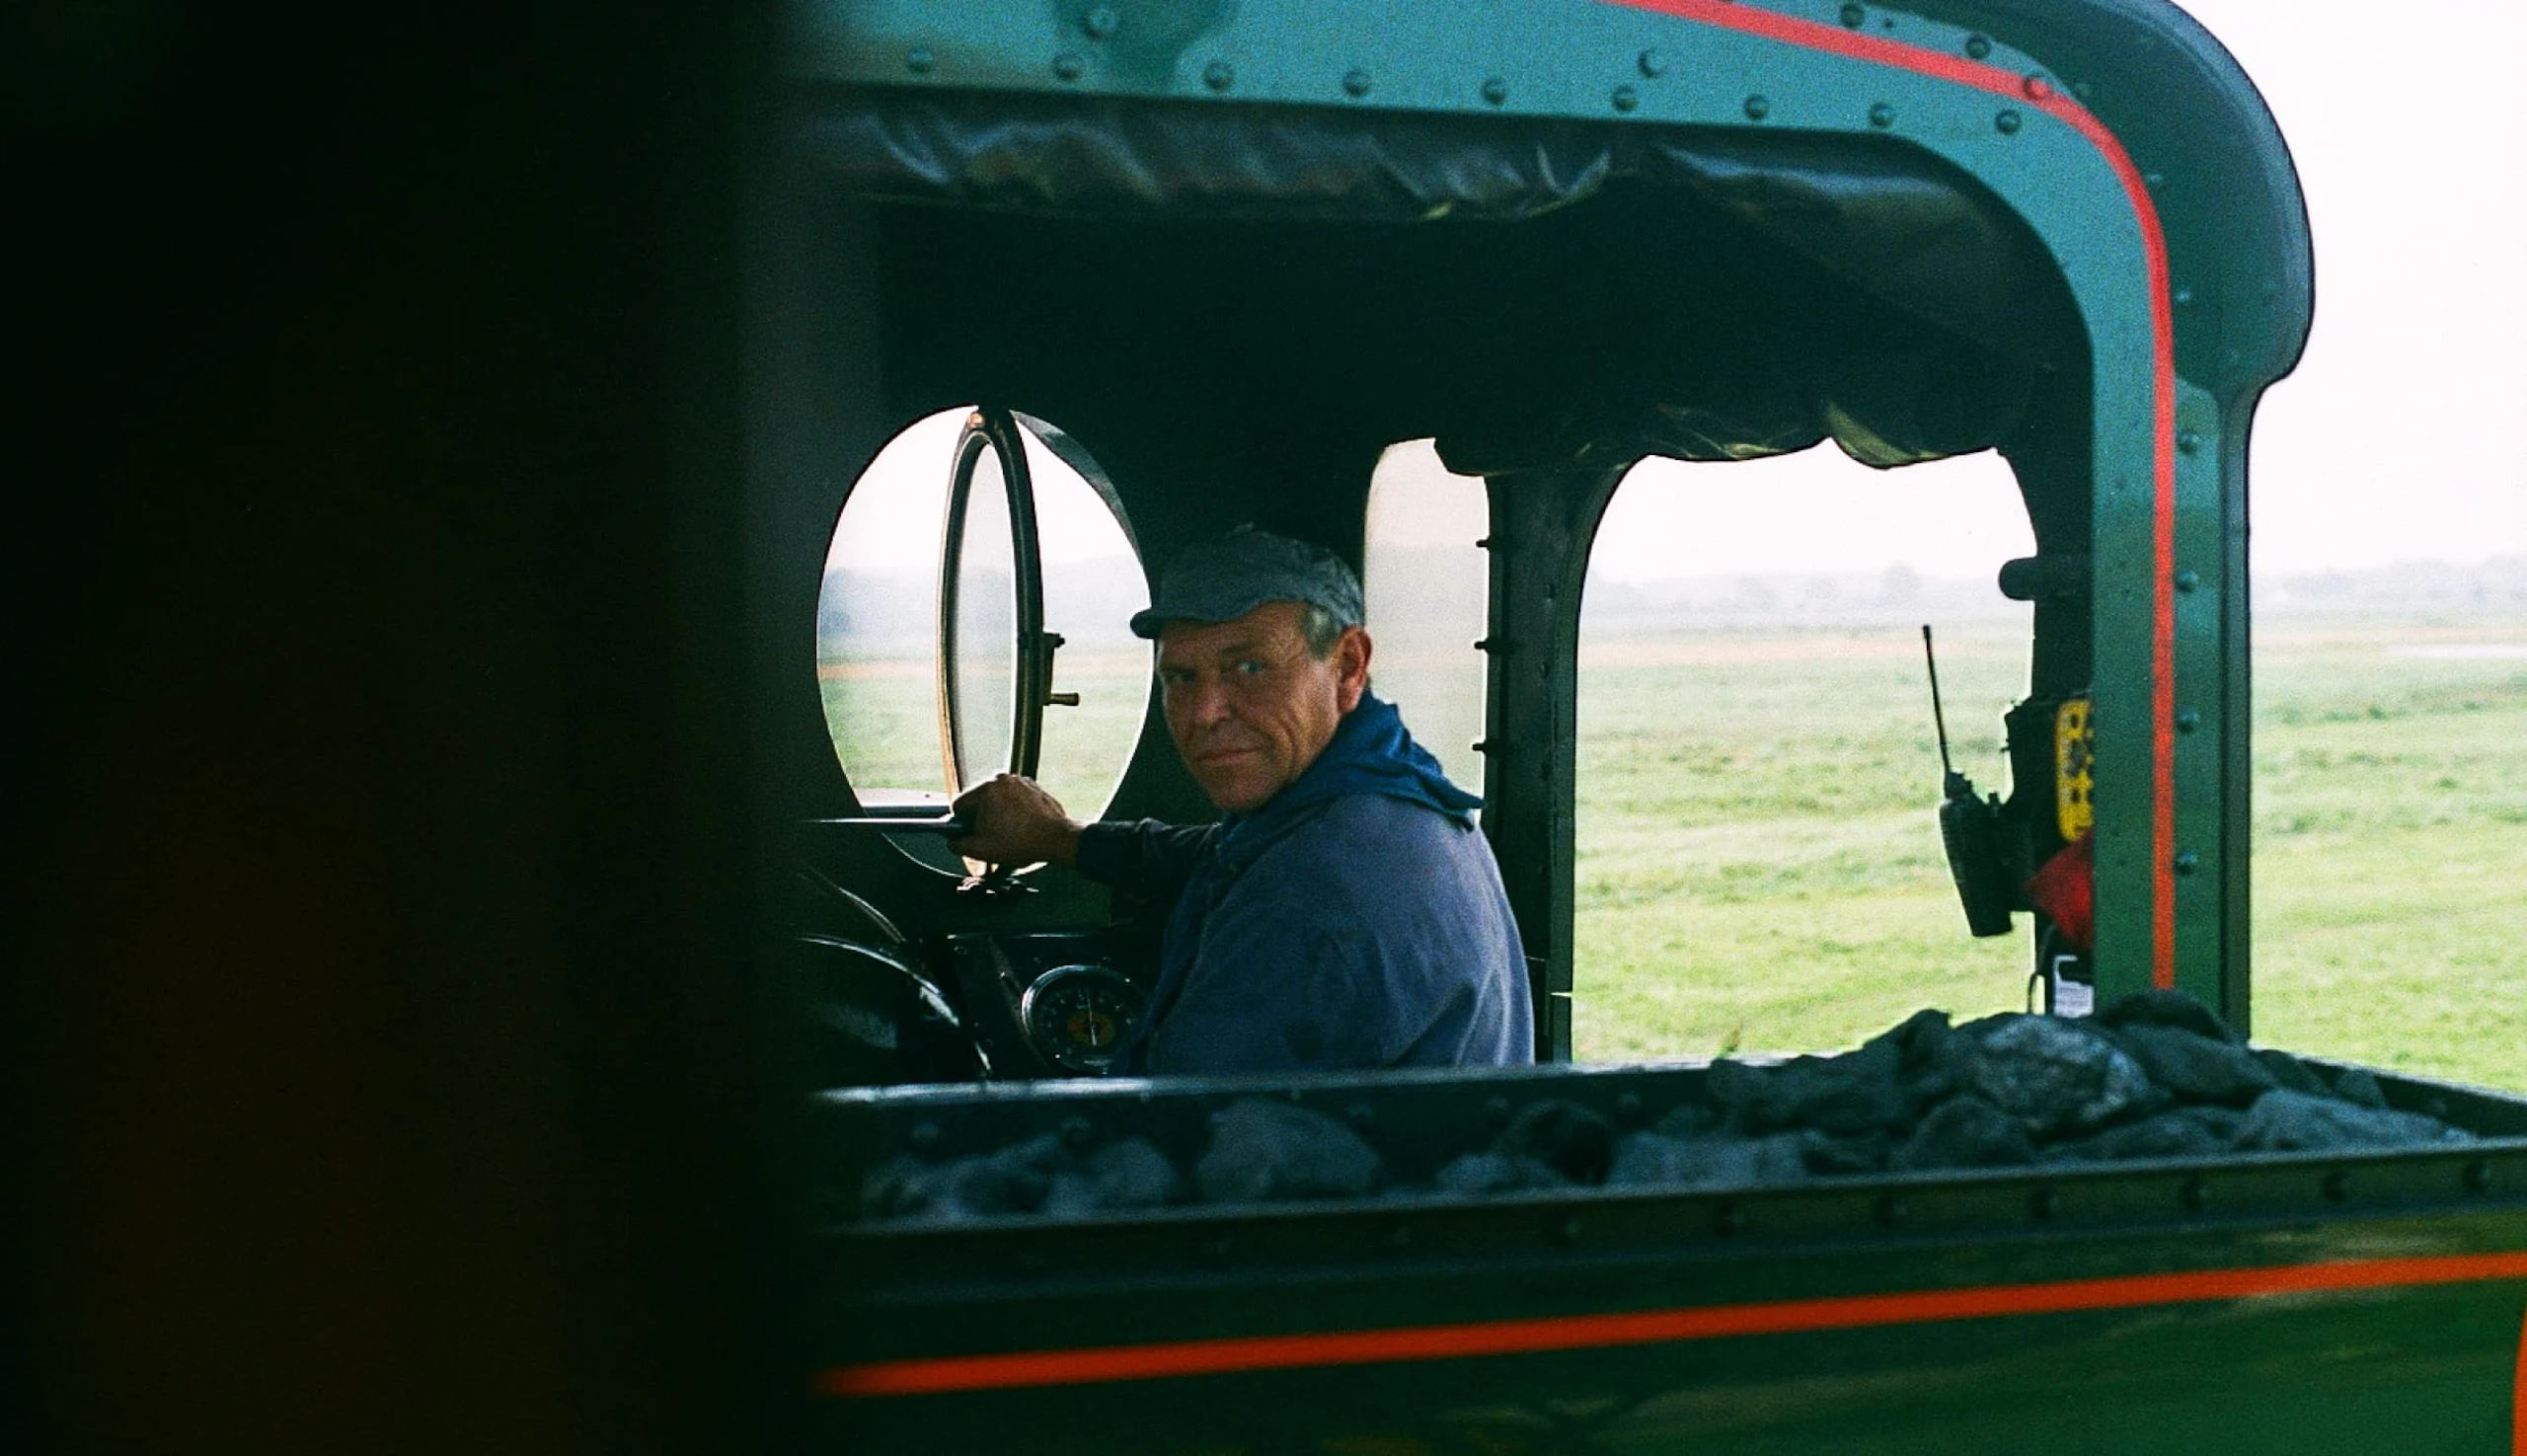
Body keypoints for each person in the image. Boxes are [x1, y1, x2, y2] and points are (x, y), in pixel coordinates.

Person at [951, 527, 1534, 1075]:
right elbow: (1221, 855)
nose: (1205, 714)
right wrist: (1060, 840)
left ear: (1348, 665)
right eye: (1180, 678)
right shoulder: (1384, 800)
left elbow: (1176, 1142)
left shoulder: (1316, 891)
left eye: (1250, 667)